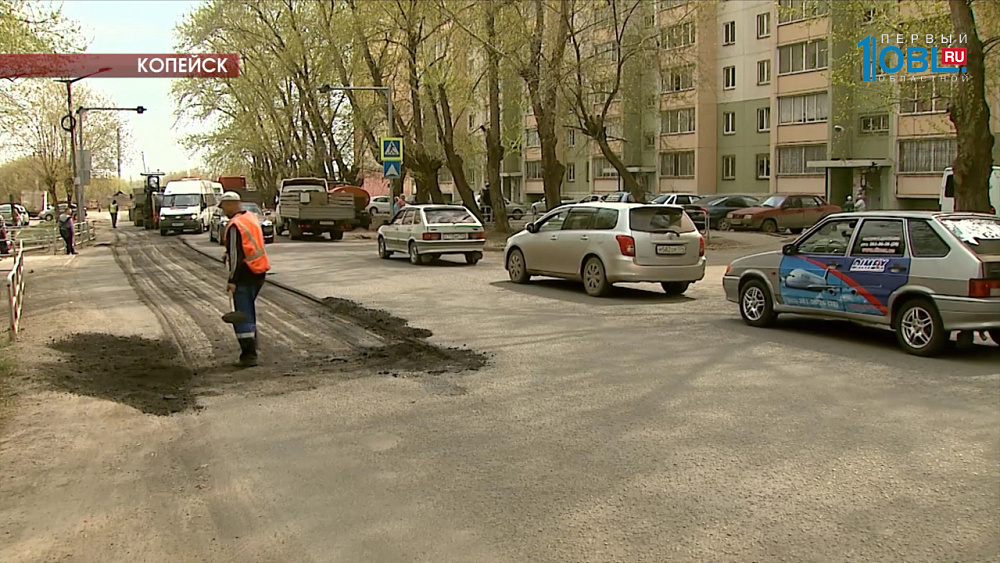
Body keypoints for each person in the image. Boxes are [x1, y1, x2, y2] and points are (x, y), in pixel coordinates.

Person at [219, 191, 270, 367]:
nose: (223, 210)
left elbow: (236, 255)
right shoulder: (250, 218)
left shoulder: (235, 225)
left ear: (231, 204)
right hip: (258, 271)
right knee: (248, 310)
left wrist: (232, 279)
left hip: (244, 274)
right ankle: (252, 347)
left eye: (224, 206)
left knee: (242, 315)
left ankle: (249, 355)